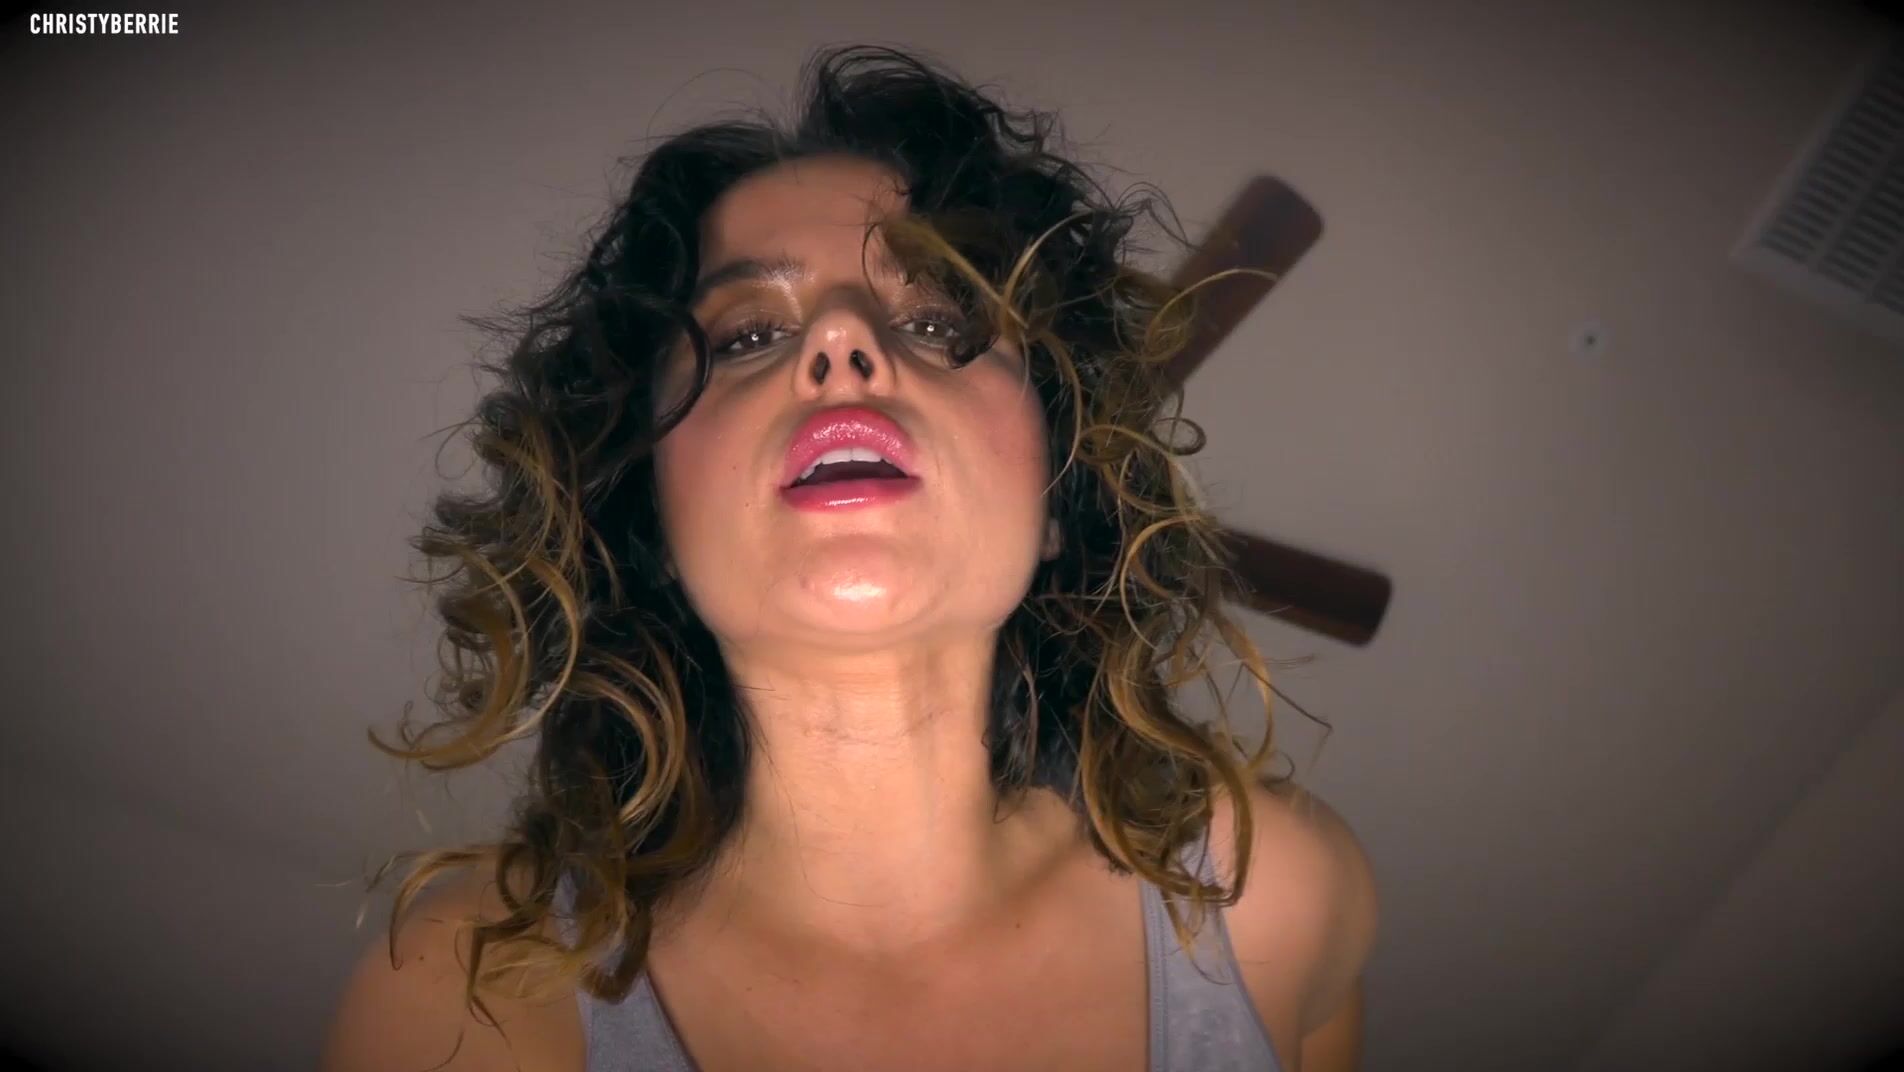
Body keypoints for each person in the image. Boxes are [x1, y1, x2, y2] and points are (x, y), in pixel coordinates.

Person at [320, 43, 1377, 1072]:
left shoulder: (1274, 892)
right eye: (746, 336)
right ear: (652, 522)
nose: (840, 337)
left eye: (937, 320)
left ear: (1058, 499)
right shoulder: (468, 1001)